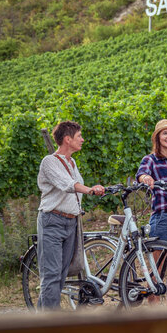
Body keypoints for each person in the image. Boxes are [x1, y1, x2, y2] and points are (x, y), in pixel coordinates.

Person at [37, 120, 105, 309]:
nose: (82, 140)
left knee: (60, 275)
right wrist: (90, 190)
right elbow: (67, 185)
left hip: (70, 222)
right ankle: (52, 325)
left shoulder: (71, 162)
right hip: (52, 221)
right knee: (51, 275)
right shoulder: (49, 161)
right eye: (79, 136)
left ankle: (41, 322)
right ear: (67, 139)